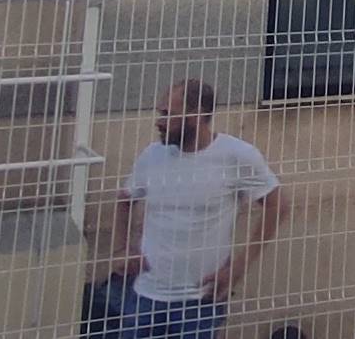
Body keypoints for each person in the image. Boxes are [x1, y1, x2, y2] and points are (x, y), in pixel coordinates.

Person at [106, 77, 282, 338]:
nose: (159, 121)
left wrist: (240, 266)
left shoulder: (236, 156)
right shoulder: (152, 156)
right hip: (145, 297)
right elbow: (124, 199)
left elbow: (277, 205)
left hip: (199, 302)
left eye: (168, 114)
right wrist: (121, 249)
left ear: (195, 115)